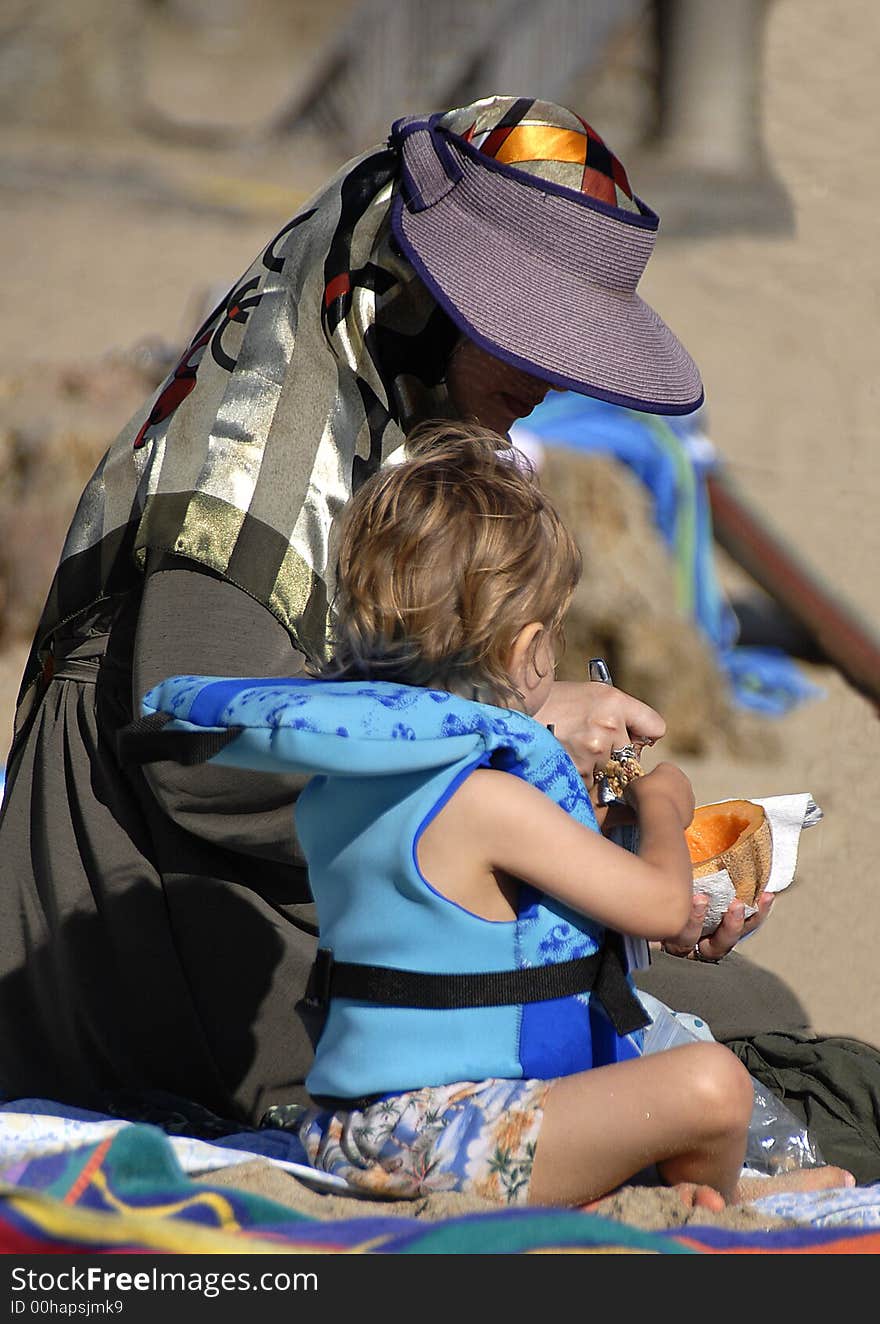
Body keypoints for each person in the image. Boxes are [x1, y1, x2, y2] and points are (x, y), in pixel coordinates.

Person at [0, 95, 768, 1125]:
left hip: (274, 881)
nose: (547, 380)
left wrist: (558, 792)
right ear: (417, 292)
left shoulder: (385, 414)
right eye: (522, 334)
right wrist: (524, 754)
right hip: (151, 918)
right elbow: (203, 763)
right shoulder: (259, 467)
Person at [244, 422, 843, 1207]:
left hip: (357, 1130)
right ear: (527, 648)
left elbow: (479, 922)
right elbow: (664, 907)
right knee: (710, 1085)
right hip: (445, 1139)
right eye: (555, 639)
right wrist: (663, 807)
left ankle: (651, 1193)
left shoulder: (344, 783)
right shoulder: (489, 799)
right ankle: (703, 1209)